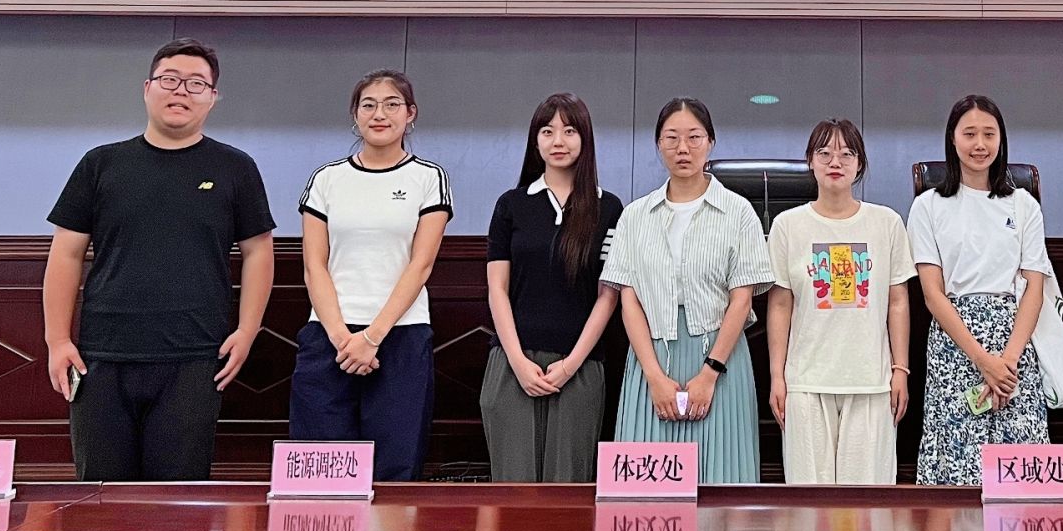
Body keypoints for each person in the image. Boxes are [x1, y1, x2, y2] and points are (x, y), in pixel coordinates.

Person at [43, 37, 275, 481]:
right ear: (147, 88)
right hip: (101, 354)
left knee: (178, 497)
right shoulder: (101, 164)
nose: (181, 91)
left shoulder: (235, 167)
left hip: (195, 355)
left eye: (196, 83)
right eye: (170, 79)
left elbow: (258, 251)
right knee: (101, 493)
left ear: (213, 97)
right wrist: (57, 340)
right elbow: (66, 253)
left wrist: (247, 331)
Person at [290, 69, 451, 481]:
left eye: (392, 104)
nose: (380, 114)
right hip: (329, 338)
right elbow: (314, 266)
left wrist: (371, 338)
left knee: (395, 471)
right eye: (369, 105)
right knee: (320, 473)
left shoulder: (428, 177)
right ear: (355, 115)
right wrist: (342, 338)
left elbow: (421, 265)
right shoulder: (326, 179)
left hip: (400, 335)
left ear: (410, 114)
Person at [603, 97, 772, 482]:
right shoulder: (635, 216)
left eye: (694, 137)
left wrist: (709, 373)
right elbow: (629, 299)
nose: (683, 148)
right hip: (651, 359)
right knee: (646, 487)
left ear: (710, 142)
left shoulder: (738, 212)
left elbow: (741, 299)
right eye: (672, 138)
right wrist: (654, 376)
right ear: (658, 144)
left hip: (720, 359)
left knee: (722, 479)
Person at [908, 94, 1052, 484]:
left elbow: (1034, 288)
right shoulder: (928, 206)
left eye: (989, 134)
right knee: (958, 466)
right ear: (952, 139)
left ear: (1001, 140)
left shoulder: (1023, 204)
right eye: (969, 134)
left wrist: (1007, 362)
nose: (980, 144)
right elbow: (932, 294)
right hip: (956, 344)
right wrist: (983, 360)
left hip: (1014, 342)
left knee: (1019, 469)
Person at [481, 92, 625, 481]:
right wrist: (517, 360)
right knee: (513, 489)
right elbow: (497, 289)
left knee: (569, 490)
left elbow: (607, 295)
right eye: (547, 131)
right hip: (513, 363)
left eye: (569, 131)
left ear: (585, 139)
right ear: (535, 141)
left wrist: (571, 364)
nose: (557, 140)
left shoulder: (609, 208)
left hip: (580, 366)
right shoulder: (511, 204)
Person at [766, 118, 915, 485]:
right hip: (806, 382)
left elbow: (898, 301)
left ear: (859, 164)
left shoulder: (886, 223)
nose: (836, 162)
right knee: (808, 501)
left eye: (847, 154)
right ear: (810, 161)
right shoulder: (788, 225)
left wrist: (900, 369)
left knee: (867, 503)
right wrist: (777, 377)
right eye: (825, 153)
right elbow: (780, 305)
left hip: (871, 382)